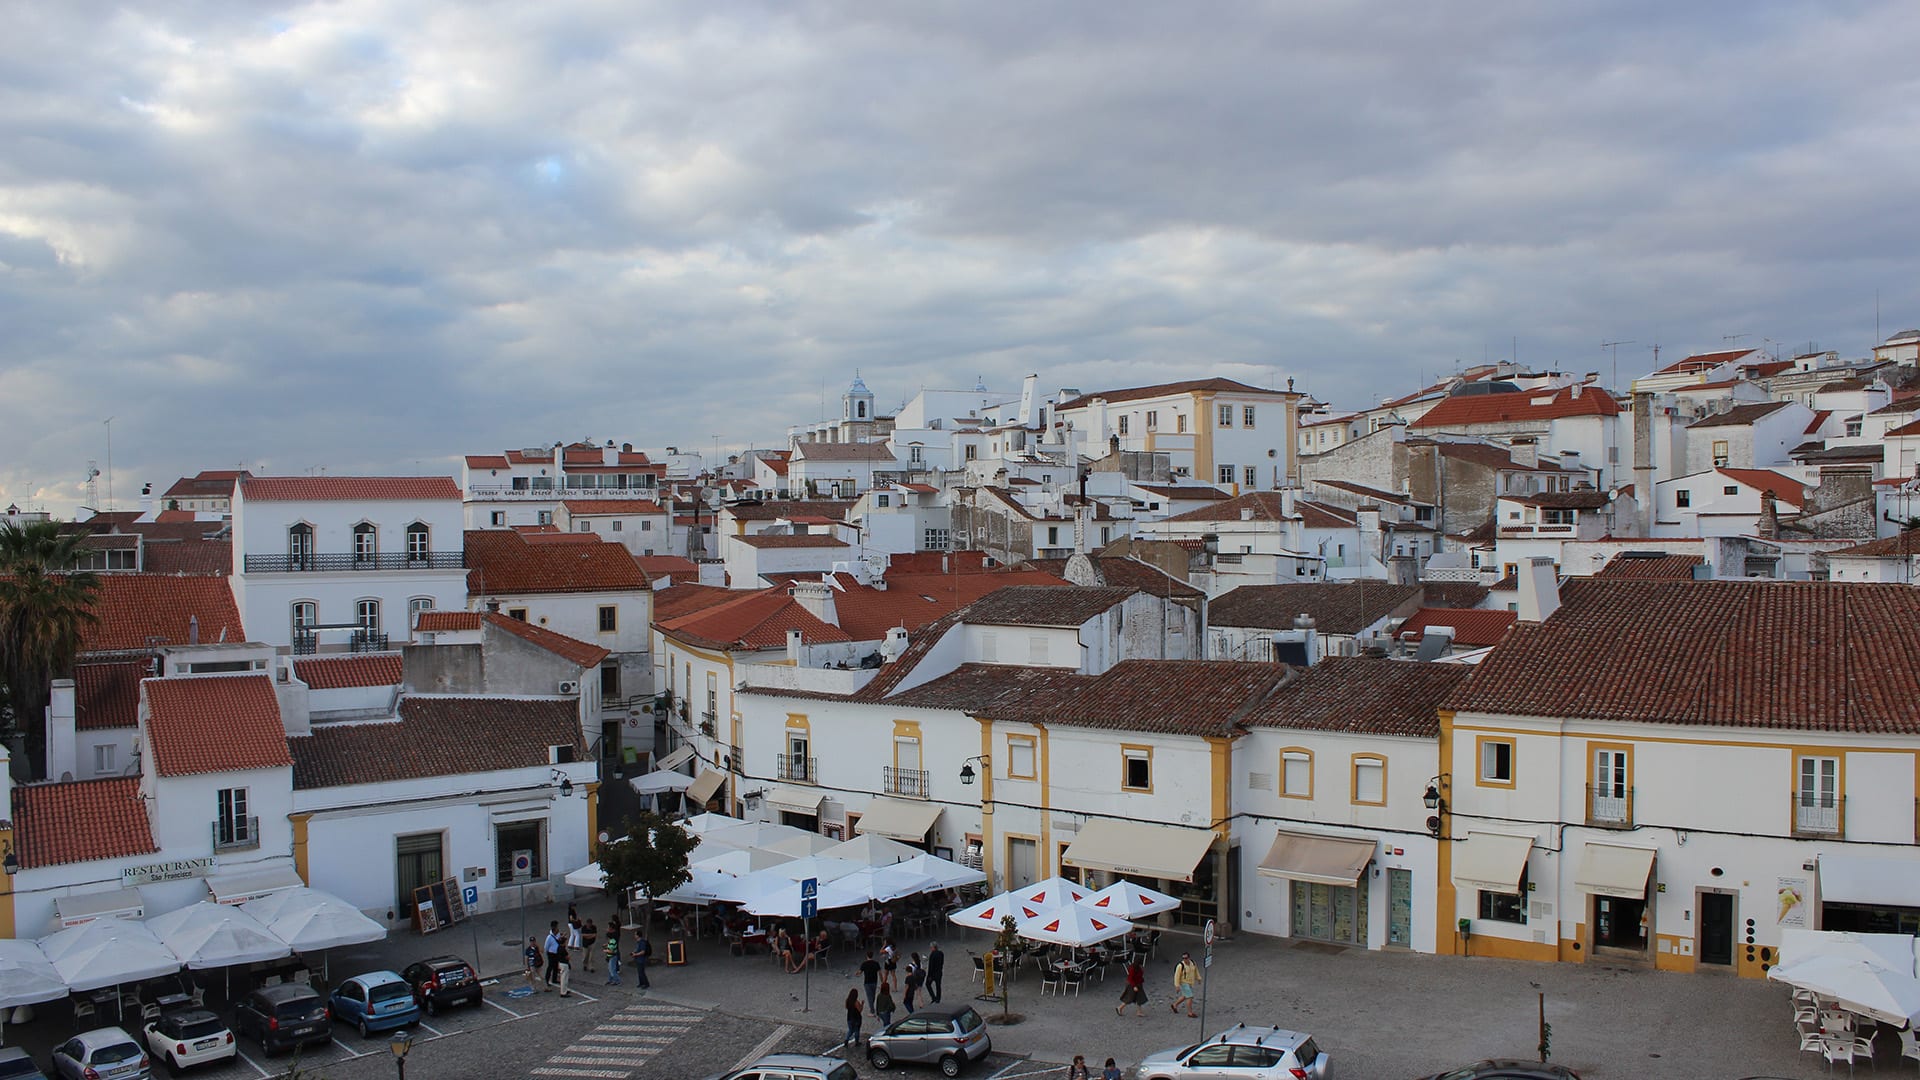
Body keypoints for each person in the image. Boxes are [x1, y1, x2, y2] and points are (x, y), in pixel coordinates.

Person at [1171, 952, 1201, 1019]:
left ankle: (1174, 1005)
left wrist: (1198, 978)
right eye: (1183, 958)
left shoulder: (1193, 963)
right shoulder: (1180, 966)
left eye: (1186, 958)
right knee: (1189, 997)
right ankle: (1190, 1013)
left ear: (1189, 958)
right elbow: (1176, 976)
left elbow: (1196, 971)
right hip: (1183, 983)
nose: (1184, 959)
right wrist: (1177, 985)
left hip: (1190, 982)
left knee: (1185, 996)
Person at [544, 921, 563, 989]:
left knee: (555, 967)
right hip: (551, 954)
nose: (558, 929)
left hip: (556, 953)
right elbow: (546, 947)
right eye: (557, 927)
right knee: (550, 967)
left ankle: (554, 979)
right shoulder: (549, 937)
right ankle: (546, 980)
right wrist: (548, 953)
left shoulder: (558, 935)